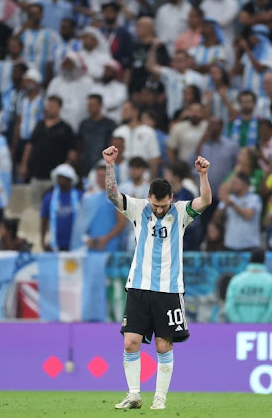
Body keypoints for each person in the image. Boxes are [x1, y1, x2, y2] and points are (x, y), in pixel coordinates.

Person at [103, 144, 211, 411]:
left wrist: (203, 176)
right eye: (155, 205)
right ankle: (134, 394)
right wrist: (109, 165)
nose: (159, 210)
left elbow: (206, 201)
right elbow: (112, 194)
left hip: (169, 290)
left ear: (171, 199)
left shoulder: (182, 212)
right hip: (138, 286)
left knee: (164, 345)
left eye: (163, 206)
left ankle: (160, 398)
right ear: (148, 197)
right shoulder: (138, 208)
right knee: (131, 341)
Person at [224, 250, 272, 323]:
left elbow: (229, 307)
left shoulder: (236, 281)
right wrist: (261, 326)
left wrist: (240, 325)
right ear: (264, 261)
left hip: (239, 331)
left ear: (250, 260)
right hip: (263, 331)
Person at [214, 173, 262, 252]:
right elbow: (216, 218)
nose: (232, 185)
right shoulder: (229, 198)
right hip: (230, 245)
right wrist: (225, 205)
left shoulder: (254, 199)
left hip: (250, 245)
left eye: (235, 183)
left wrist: (232, 204)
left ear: (245, 184)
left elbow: (248, 215)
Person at [41, 163, 82, 252]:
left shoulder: (80, 196)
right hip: (55, 244)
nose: (61, 180)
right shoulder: (49, 197)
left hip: (76, 243)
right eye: (59, 177)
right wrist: (43, 241)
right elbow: (44, 220)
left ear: (70, 179)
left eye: (64, 178)